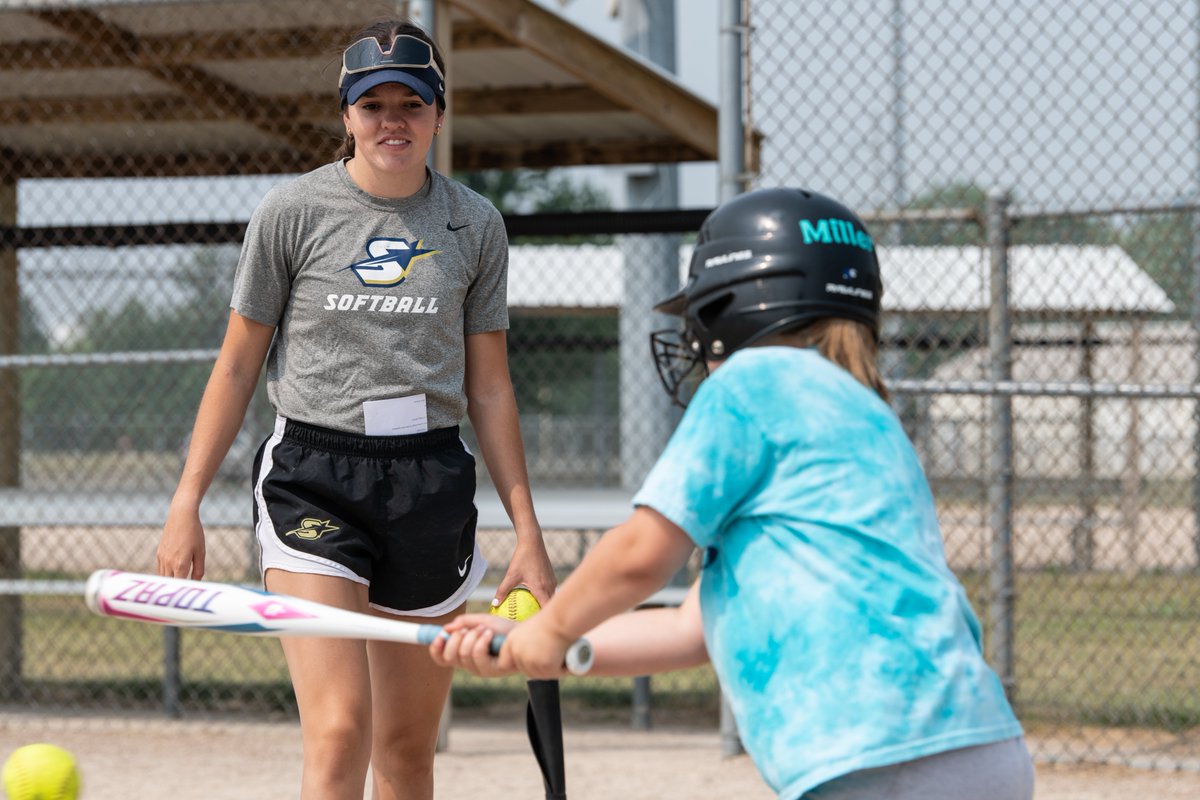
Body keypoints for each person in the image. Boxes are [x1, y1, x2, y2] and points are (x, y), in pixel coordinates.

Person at [432, 188, 1035, 800]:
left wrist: (553, 627)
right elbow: (693, 627)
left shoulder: (753, 380)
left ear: (736, 306)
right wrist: (535, 649)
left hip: (873, 755)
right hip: (974, 741)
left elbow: (641, 552)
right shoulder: (868, 418)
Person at [155, 19, 556, 800]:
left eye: (412, 102)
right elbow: (238, 367)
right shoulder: (294, 212)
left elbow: (491, 388)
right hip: (315, 475)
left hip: (429, 480)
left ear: (439, 114)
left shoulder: (475, 224)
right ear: (346, 116)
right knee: (341, 730)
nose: (392, 121)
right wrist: (185, 500)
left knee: (406, 751)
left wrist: (530, 534)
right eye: (373, 105)